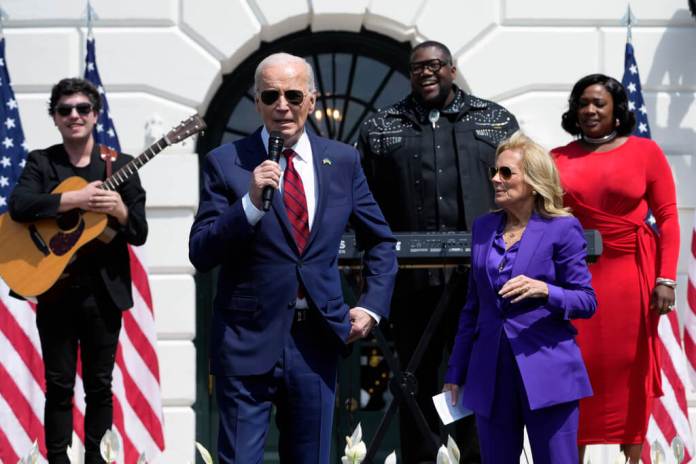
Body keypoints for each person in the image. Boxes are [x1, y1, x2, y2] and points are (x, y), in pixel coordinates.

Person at [188, 52, 397, 464]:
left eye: (293, 94)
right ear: (257, 103)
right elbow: (202, 251)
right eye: (270, 95)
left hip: (317, 338)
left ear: (312, 100)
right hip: (247, 339)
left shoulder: (342, 161)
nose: (282, 105)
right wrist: (248, 204)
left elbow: (381, 241)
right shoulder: (226, 162)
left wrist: (371, 306)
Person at [359, 40, 518, 463]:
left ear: (451, 68)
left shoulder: (496, 121)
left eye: (433, 66)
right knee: (415, 383)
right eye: (416, 68)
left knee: (482, 381)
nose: (425, 74)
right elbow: (363, 203)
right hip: (410, 286)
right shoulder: (381, 127)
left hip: (485, 283)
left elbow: (521, 193)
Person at [8, 78, 148, 464]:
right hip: (56, 290)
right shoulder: (43, 161)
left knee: (101, 386)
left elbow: (139, 231)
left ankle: (97, 460)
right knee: (58, 385)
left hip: (104, 293)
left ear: (96, 115)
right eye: (65, 109)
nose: (74, 115)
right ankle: (57, 460)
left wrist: (118, 210)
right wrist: (75, 198)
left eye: (83, 109)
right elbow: (19, 205)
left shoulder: (119, 165)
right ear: (54, 118)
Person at [443, 131, 597, 464]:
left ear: (533, 181)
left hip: (548, 370)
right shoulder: (483, 228)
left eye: (506, 173)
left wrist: (546, 291)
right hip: (490, 373)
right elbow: (472, 308)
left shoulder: (562, 228)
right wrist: (455, 370)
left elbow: (586, 300)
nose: (496, 179)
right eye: (495, 172)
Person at [551, 74, 680, 463]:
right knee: (576, 365)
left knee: (629, 367)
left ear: (617, 110)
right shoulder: (556, 158)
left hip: (630, 276)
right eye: (583, 103)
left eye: (599, 103)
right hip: (575, 279)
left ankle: (632, 456)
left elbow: (669, 218)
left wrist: (666, 278)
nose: (589, 110)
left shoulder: (646, 152)